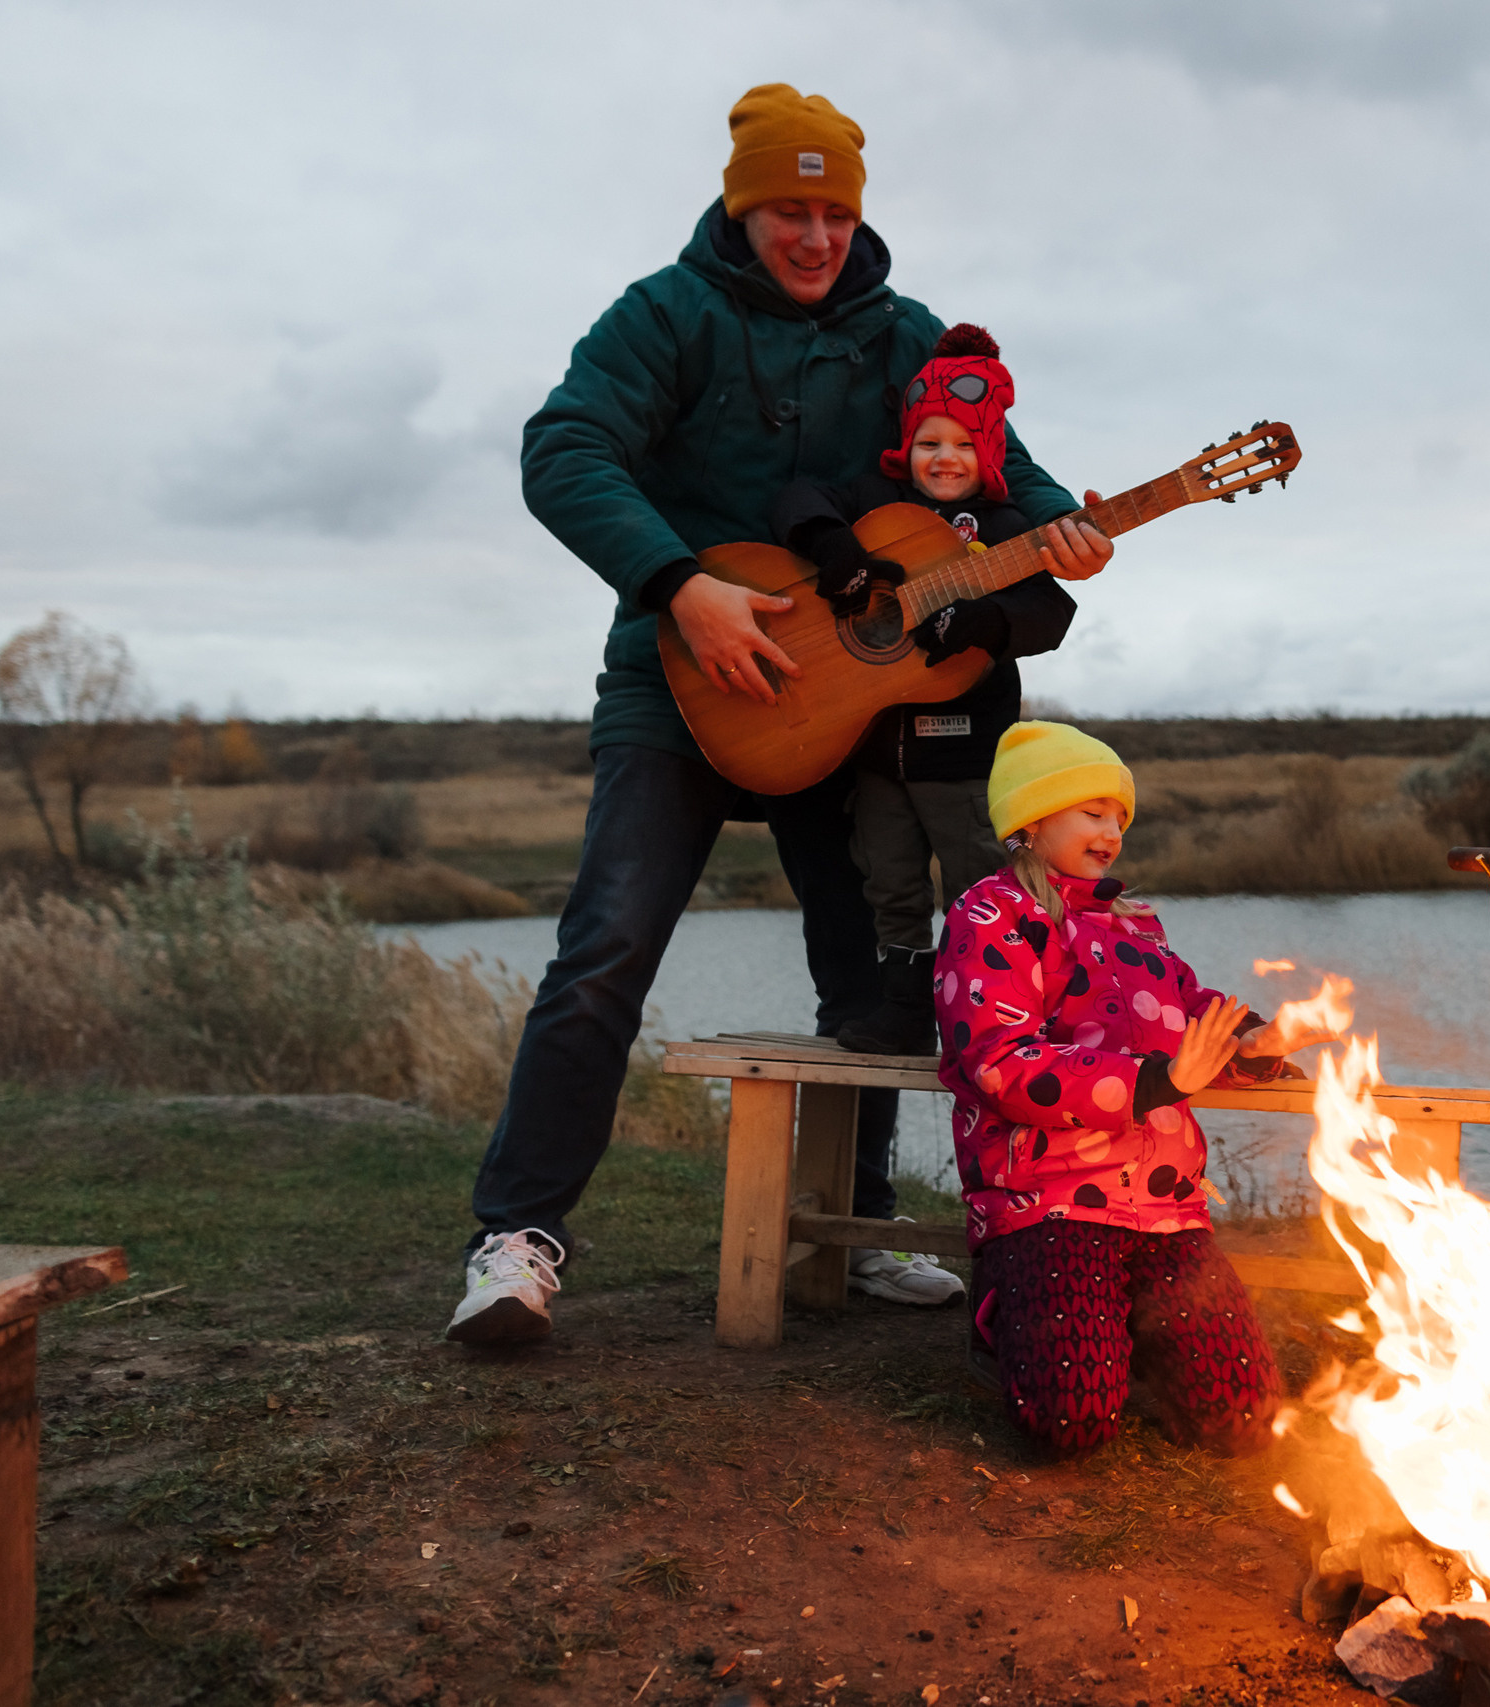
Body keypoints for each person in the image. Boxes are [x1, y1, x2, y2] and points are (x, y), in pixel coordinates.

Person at [447, 84, 1115, 1344]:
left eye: (830, 212)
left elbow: (1007, 480)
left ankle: (855, 1229)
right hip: (680, 681)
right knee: (604, 953)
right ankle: (514, 1242)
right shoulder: (666, 314)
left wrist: (1055, 530)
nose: (811, 236)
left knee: (871, 969)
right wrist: (677, 583)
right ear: (742, 207)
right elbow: (565, 448)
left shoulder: (909, 336)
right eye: (784, 211)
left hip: (846, 705)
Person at [934, 723, 1335, 1456]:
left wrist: (1261, 1044)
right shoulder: (991, 915)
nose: (1112, 829)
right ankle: (1005, 1309)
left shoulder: (1136, 924)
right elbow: (1002, 1063)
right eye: (1091, 811)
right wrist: (1157, 1081)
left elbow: (1194, 1017)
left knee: (1241, 1418)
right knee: (1072, 1422)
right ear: (1030, 820)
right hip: (1048, 1199)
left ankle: (1123, 1333)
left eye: (1119, 814)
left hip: (1163, 1205)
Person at [766, 323, 1070, 1058]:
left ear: (990, 452)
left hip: (963, 758)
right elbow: (797, 497)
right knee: (891, 888)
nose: (945, 459)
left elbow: (1050, 613)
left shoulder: (1004, 527)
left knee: (979, 889)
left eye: (964, 445)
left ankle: (997, 1017)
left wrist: (979, 622)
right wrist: (835, 547)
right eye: (930, 443)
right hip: (875, 751)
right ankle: (904, 1011)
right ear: (908, 445)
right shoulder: (873, 502)